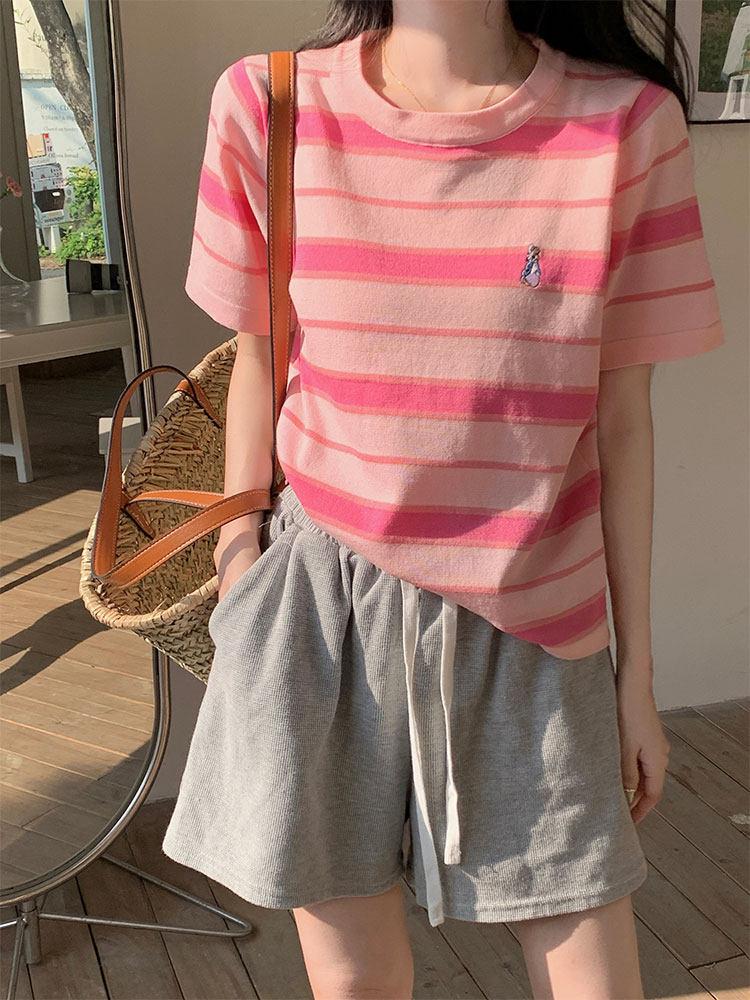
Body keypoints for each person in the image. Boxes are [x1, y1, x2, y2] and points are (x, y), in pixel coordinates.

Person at [161, 1, 725, 996]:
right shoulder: (269, 104)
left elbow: (622, 422)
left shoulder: (627, 125)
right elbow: (258, 359)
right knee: (356, 982)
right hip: (322, 614)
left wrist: (635, 675)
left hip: (538, 618)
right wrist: (239, 557)